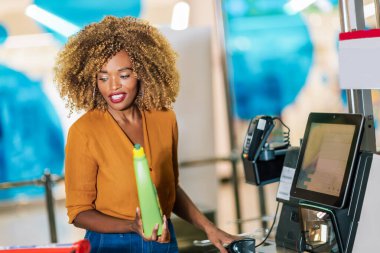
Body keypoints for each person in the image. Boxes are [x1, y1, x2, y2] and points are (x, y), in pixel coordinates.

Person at [54, 16, 237, 253]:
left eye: (124, 75)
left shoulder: (164, 118)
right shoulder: (84, 131)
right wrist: (131, 226)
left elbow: (169, 188)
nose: (113, 86)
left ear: (142, 72)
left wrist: (209, 228)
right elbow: (79, 212)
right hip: (110, 245)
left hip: (162, 239)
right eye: (103, 77)